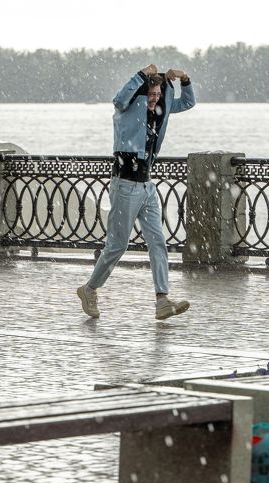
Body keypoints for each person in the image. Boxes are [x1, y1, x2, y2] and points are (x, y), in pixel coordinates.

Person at [76, 63, 196, 320]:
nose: (154, 99)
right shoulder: (127, 107)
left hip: (146, 186)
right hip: (124, 185)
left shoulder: (161, 109)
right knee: (117, 246)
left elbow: (188, 103)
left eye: (158, 94)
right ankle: (89, 289)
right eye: (150, 94)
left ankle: (162, 300)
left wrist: (184, 78)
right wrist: (141, 74)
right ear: (142, 94)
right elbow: (118, 99)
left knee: (158, 242)